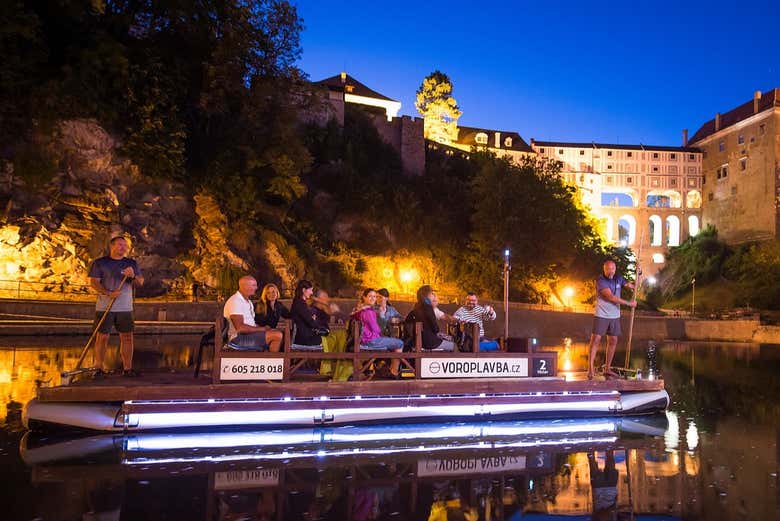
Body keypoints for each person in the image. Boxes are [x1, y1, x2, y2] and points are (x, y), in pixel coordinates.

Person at [88, 236, 144, 377]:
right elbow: (94, 282)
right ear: (112, 246)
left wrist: (132, 276)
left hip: (125, 308)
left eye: (125, 245)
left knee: (127, 337)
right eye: (120, 245)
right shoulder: (100, 263)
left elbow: (140, 283)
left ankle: (127, 369)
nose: (123, 247)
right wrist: (108, 293)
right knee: (102, 337)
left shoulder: (131, 263)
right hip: (105, 306)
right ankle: (98, 368)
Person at [588, 259, 636, 380]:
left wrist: (639, 274)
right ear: (604, 269)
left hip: (615, 316)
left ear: (615, 269)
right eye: (608, 269)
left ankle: (607, 368)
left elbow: (634, 287)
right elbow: (610, 297)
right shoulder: (601, 281)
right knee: (596, 340)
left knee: (613, 340)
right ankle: (590, 368)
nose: (611, 271)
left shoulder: (619, 278)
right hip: (602, 315)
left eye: (613, 269)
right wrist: (629, 304)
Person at [352, 288, 404, 377]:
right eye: (370, 296)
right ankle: (393, 372)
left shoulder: (362, 309)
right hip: (371, 340)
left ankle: (385, 369)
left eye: (374, 296)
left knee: (392, 343)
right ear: (364, 297)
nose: (374, 298)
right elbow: (376, 329)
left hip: (365, 338)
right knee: (399, 343)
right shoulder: (369, 311)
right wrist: (382, 317)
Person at [223, 276, 283, 351]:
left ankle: (268, 359)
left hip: (247, 335)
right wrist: (263, 329)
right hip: (238, 339)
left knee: (275, 332)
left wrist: (265, 329)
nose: (256, 287)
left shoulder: (248, 302)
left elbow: (251, 324)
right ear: (245, 286)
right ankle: (272, 361)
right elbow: (240, 328)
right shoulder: (236, 301)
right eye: (254, 285)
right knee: (277, 335)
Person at [406, 285, 455, 351]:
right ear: (427, 295)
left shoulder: (416, 307)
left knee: (445, 338)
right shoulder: (428, 307)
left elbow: (407, 320)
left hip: (417, 341)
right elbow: (435, 328)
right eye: (432, 294)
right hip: (429, 342)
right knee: (454, 346)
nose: (434, 296)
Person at [290, 279, 323, 346]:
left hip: (305, 335)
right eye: (310, 290)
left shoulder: (299, 302)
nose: (312, 293)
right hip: (304, 339)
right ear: (304, 290)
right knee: (329, 337)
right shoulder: (300, 304)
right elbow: (311, 322)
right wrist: (314, 320)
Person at [588, 450, 618, 521]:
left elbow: (602, 513)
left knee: (594, 468)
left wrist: (613, 508)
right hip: (610, 490)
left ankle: (590, 450)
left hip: (600, 491)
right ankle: (609, 448)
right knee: (611, 466)